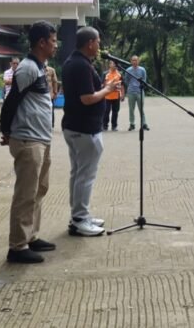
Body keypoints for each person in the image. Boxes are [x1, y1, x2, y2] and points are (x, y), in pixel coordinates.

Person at [0, 21, 57, 263]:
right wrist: (6, 130)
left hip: (41, 139)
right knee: (26, 193)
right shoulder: (27, 68)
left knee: (39, 190)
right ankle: (17, 247)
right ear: (42, 42)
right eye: (53, 40)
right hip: (28, 140)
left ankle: (31, 236)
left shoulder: (40, 67)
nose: (56, 44)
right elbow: (11, 101)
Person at [62, 27, 118, 237]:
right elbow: (87, 98)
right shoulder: (81, 65)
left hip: (74, 126)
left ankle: (79, 215)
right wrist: (107, 90)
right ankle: (79, 219)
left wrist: (103, 87)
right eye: (98, 42)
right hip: (85, 129)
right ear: (90, 43)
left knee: (78, 174)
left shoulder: (73, 62)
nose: (100, 46)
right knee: (85, 175)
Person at [125, 55, 149, 131]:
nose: (134, 62)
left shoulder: (142, 70)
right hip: (131, 92)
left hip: (140, 92)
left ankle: (144, 124)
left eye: (136, 60)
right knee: (131, 109)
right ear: (131, 61)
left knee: (141, 109)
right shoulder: (128, 70)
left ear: (138, 61)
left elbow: (144, 80)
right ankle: (132, 124)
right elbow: (126, 80)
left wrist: (140, 86)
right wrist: (131, 86)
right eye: (133, 60)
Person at [101, 60, 123, 131]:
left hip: (116, 95)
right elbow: (102, 84)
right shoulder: (105, 73)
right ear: (110, 65)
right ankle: (104, 126)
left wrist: (122, 94)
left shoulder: (119, 74)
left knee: (115, 111)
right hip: (107, 96)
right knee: (106, 111)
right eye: (113, 63)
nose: (114, 65)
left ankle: (114, 126)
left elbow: (122, 85)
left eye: (115, 64)